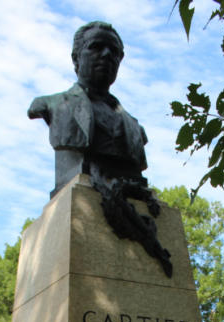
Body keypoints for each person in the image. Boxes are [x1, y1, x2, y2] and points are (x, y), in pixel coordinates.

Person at [28, 20, 148, 194]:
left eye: (114, 51)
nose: (107, 54)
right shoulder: (52, 105)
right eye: (96, 47)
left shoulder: (135, 128)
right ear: (76, 58)